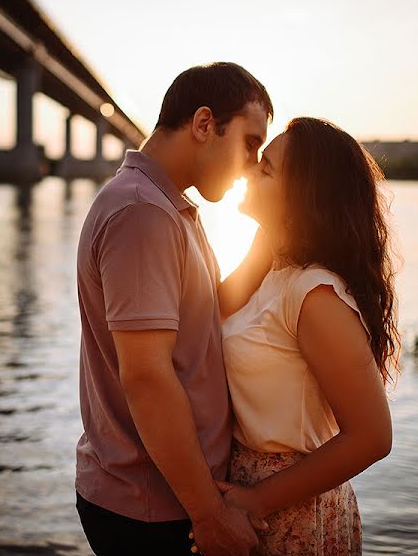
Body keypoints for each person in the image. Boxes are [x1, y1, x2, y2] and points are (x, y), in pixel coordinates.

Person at [74, 62, 275, 556]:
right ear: (204, 124)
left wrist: (276, 236)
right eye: (250, 143)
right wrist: (209, 514)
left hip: (163, 496)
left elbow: (206, 315)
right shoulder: (143, 213)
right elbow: (146, 377)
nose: (253, 164)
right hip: (153, 506)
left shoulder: (168, 207)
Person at [214, 117, 400, 555]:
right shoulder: (272, 272)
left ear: (301, 197)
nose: (246, 171)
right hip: (248, 494)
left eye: (265, 169)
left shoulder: (314, 294)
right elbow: (212, 311)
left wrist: (259, 498)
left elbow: (373, 436)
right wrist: (270, 234)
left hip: (288, 508)